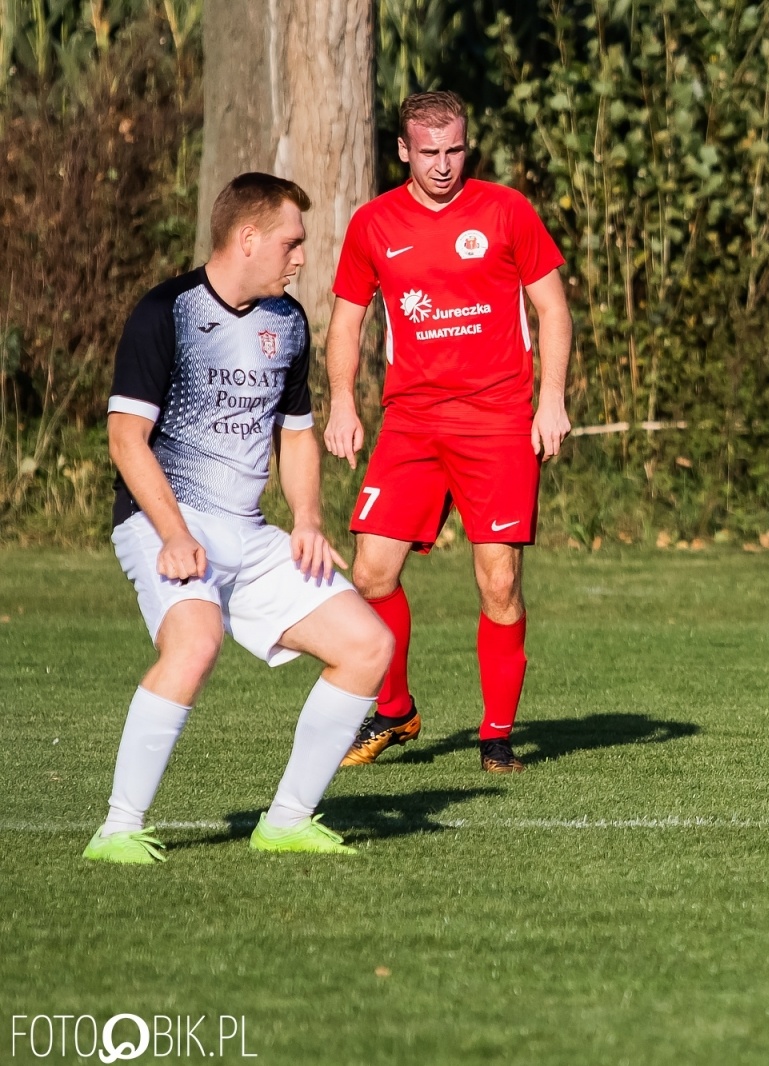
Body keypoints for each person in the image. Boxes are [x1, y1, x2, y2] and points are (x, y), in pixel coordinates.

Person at [85, 173, 394, 864]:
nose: (301, 257)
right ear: (247, 237)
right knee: (194, 643)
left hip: (248, 534)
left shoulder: (287, 322)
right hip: (162, 520)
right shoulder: (165, 312)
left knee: (368, 647)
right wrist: (174, 535)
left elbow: (295, 432)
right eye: (291, 242)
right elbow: (126, 440)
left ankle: (285, 821)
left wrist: (308, 519)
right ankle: (117, 829)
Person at [323, 90, 573, 774]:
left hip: (496, 422)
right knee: (372, 575)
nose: (443, 164)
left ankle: (496, 738)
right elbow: (347, 321)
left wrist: (550, 400)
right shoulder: (374, 223)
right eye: (428, 152)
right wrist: (343, 403)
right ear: (403, 150)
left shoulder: (506, 210)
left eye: (454, 149)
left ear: (468, 145)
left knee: (499, 585)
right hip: (410, 423)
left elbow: (552, 309)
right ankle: (396, 710)